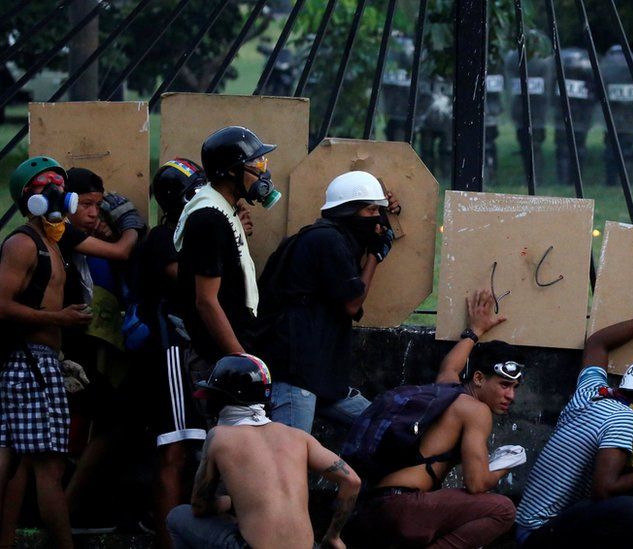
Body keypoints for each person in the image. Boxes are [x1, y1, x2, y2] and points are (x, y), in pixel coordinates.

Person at [0, 156, 144, 548]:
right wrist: (59, 319)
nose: (65, 201)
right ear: (34, 201)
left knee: (18, 462)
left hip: (41, 360)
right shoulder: (23, 243)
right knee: (46, 467)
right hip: (29, 361)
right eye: (56, 194)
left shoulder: (51, 240)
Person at [514, 281, 633, 549]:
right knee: (629, 508)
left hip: (532, 525)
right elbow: (604, 490)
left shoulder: (594, 392)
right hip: (538, 537)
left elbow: (598, 343)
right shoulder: (626, 419)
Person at [350, 289, 521, 548]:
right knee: (503, 509)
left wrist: (474, 331)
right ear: (478, 378)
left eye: (515, 387)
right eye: (504, 384)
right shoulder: (477, 411)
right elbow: (476, 484)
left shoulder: (449, 390)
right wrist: (506, 464)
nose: (510, 395)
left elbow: (450, 367)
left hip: (374, 508)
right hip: (404, 509)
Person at [166, 353, 361, 549]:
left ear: (224, 398)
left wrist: (232, 502)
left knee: (177, 517)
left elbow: (199, 506)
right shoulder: (297, 437)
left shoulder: (219, 437)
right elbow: (352, 480)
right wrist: (334, 535)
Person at [263, 170, 397, 432]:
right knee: (291, 456)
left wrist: (383, 210)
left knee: (383, 428)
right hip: (297, 375)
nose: (377, 219)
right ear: (348, 212)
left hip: (321, 377)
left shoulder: (336, 239)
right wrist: (375, 255)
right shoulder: (326, 239)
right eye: (370, 211)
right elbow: (352, 303)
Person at [137, 158, 208, 547]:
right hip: (170, 351)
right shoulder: (165, 238)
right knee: (174, 448)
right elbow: (184, 281)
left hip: (185, 351)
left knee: (191, 450)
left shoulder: (182, 234)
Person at [174, 126, 280, 383]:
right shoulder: (209, 219)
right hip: (220, 362)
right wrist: (242, 361)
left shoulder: (223, 212)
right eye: (256, 164)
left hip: (228, 356)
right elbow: (206, 302)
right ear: (232, 171)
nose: (262, 172)